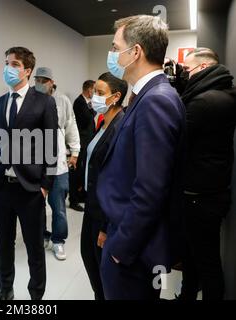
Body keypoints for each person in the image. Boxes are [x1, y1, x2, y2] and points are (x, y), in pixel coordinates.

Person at [96, 15, 186, 300]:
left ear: (135, 52)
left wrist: (120, 249)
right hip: (124, 235)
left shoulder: (156, 100)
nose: (112, 54)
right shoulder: (144, 95)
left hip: (134, 253)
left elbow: (150, 190)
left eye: (115, 47)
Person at [0, 47, 58, 300]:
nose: (8, 68)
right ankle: (6, 291)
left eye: (14, 64)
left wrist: (46, 184)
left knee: (35, 248)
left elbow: (51, 144)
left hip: (30, 188)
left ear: (27, 70)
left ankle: (36, 295)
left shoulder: (44, 101)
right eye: (6, 63)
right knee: (4, 246)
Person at [178, 48, 236, 300]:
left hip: (199, 196)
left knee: (206, 261)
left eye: (187, 70)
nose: (185, 75)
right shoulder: (224, 94)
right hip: (212, 191)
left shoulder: (203, 102)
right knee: (194, 255)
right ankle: (187, 295)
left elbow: (178, 143)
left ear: (202, 68)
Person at [80, 72, 127, 300]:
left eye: (100, 93)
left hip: (104, 214)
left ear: (115, 97)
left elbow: (118, 181)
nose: (94, 98)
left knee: (103, 271)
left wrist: (107, 227)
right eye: (94, 93)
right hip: (92, 205)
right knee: (88, 258)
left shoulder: (120, 128)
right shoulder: (103, 123)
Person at [34, 67, 81, 261]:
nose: (40, 83)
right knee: (36, 206)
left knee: (59, 207)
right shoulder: (31, 101)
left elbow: (71, 124)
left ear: (52, 82)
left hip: (58, 165)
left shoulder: (62, 101)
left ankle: (58, 240)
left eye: (44, 80)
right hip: (35, 165)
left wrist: (75, 150)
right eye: (37, 79)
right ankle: (42, 236)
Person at [71, 80, 96, 211]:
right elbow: (86, 119)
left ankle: (80, 195)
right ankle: (73, 199)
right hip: (80, 142)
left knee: (83, 170)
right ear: (88, 89)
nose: (95, 93)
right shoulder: (79, 102)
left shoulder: (87, 103)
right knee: (76, 171)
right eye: (94, 89)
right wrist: (93, 109)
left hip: (87, 141)